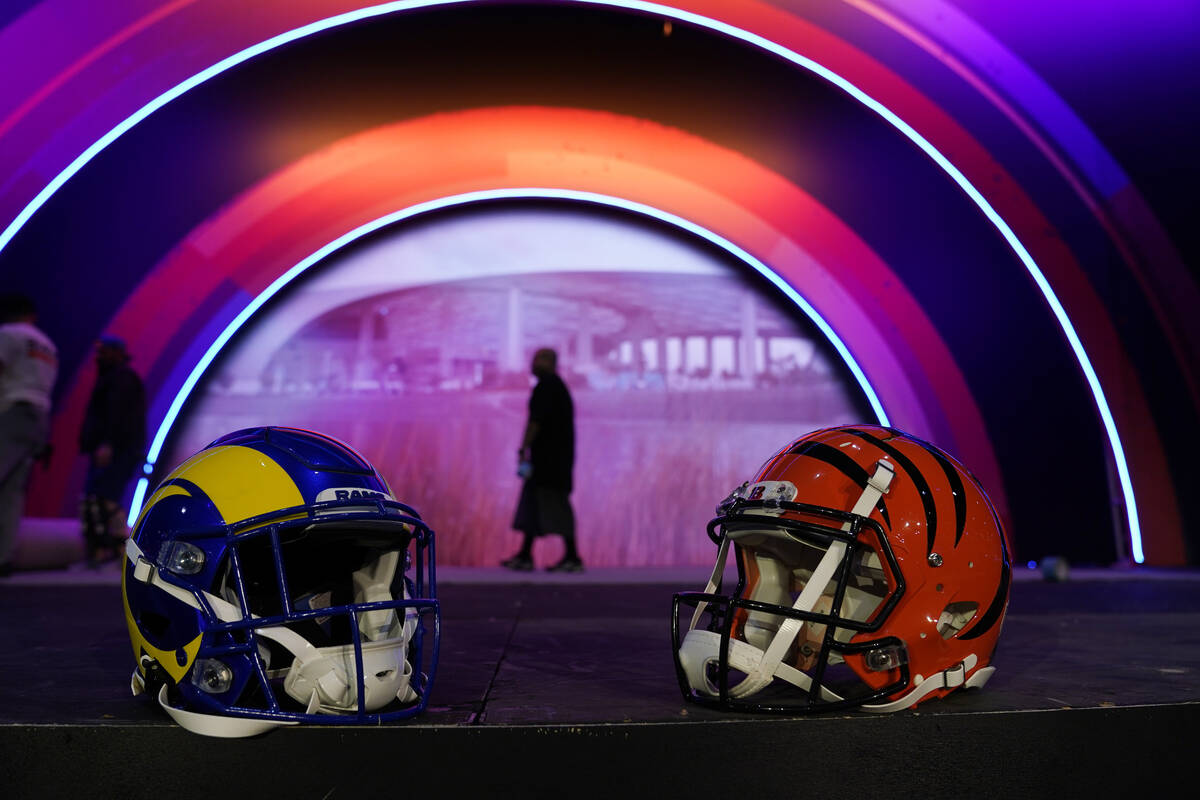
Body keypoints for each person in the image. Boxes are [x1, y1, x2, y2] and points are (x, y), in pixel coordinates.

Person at [503, 347, 584, 573]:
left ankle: (572, 557)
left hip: (551, 462)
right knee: (534, 504)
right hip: (552, 460)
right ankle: (525, 555)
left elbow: (535, 422)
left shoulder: (546, 387)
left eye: (541, 359)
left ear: (551, 362)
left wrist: (523, 448)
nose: (535, 362)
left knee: (555, 505)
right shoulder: (555, 386)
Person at [0, 293, 57, 577]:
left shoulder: (8, 335)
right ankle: (4, 558)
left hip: (13, 411)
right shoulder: (47, 345)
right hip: (39, 417)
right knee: (12, 491)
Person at [78, 335, 146, 566]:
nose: (100, 356)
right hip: (119, 448)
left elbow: (118, 416)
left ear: (118, 353)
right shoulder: (115, 377)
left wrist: (108, 443)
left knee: (104, 502)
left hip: (118, 450)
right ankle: (113, 552)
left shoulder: (121, 379)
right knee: (103, 501)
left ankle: (114, 552)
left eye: (105, 351)